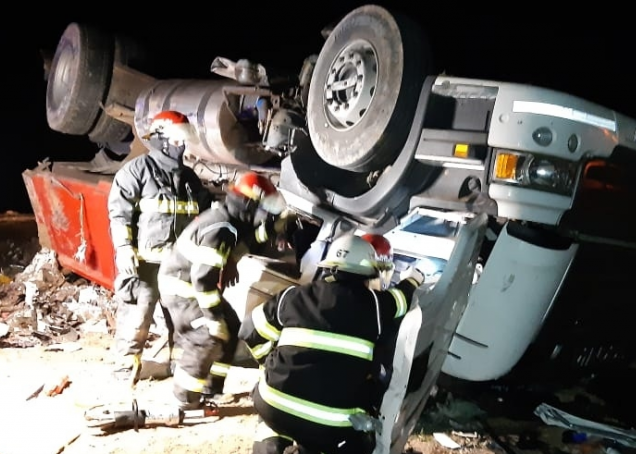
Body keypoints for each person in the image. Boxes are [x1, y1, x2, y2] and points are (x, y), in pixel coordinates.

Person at [241, 234, 427, 454]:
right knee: (356, 437)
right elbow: (400, 299)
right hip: (330, 425)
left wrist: (266, 361)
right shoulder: (374, 305)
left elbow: (249, 330)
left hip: (272, 404)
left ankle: (270, 445)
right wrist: (413, 279)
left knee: (274, 420)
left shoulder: (294, 296)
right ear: (368, 272)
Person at [158, 171, 288, 409]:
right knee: (207, 336)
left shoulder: (229, 218)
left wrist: (274, 226)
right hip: (183, 290)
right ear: (250, 203)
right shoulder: (221, 227)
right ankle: (184, 399)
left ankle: (211, 388)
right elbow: (202, 281)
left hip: (185, 285)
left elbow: (245, 241)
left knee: (230, 327)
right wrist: (212, 318)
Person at [107, 110, 212, 382]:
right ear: (162, 139)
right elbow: (119, 213)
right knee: (136, 320)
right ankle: (124, 375)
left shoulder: (189, 179)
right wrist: (124, 248)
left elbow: (207, 216)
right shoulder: (137, 171)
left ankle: (179, 373)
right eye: (178, 138)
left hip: (178, 268)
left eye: (184, 139)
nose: (182, 145)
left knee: (182, 322)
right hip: (145, 268)